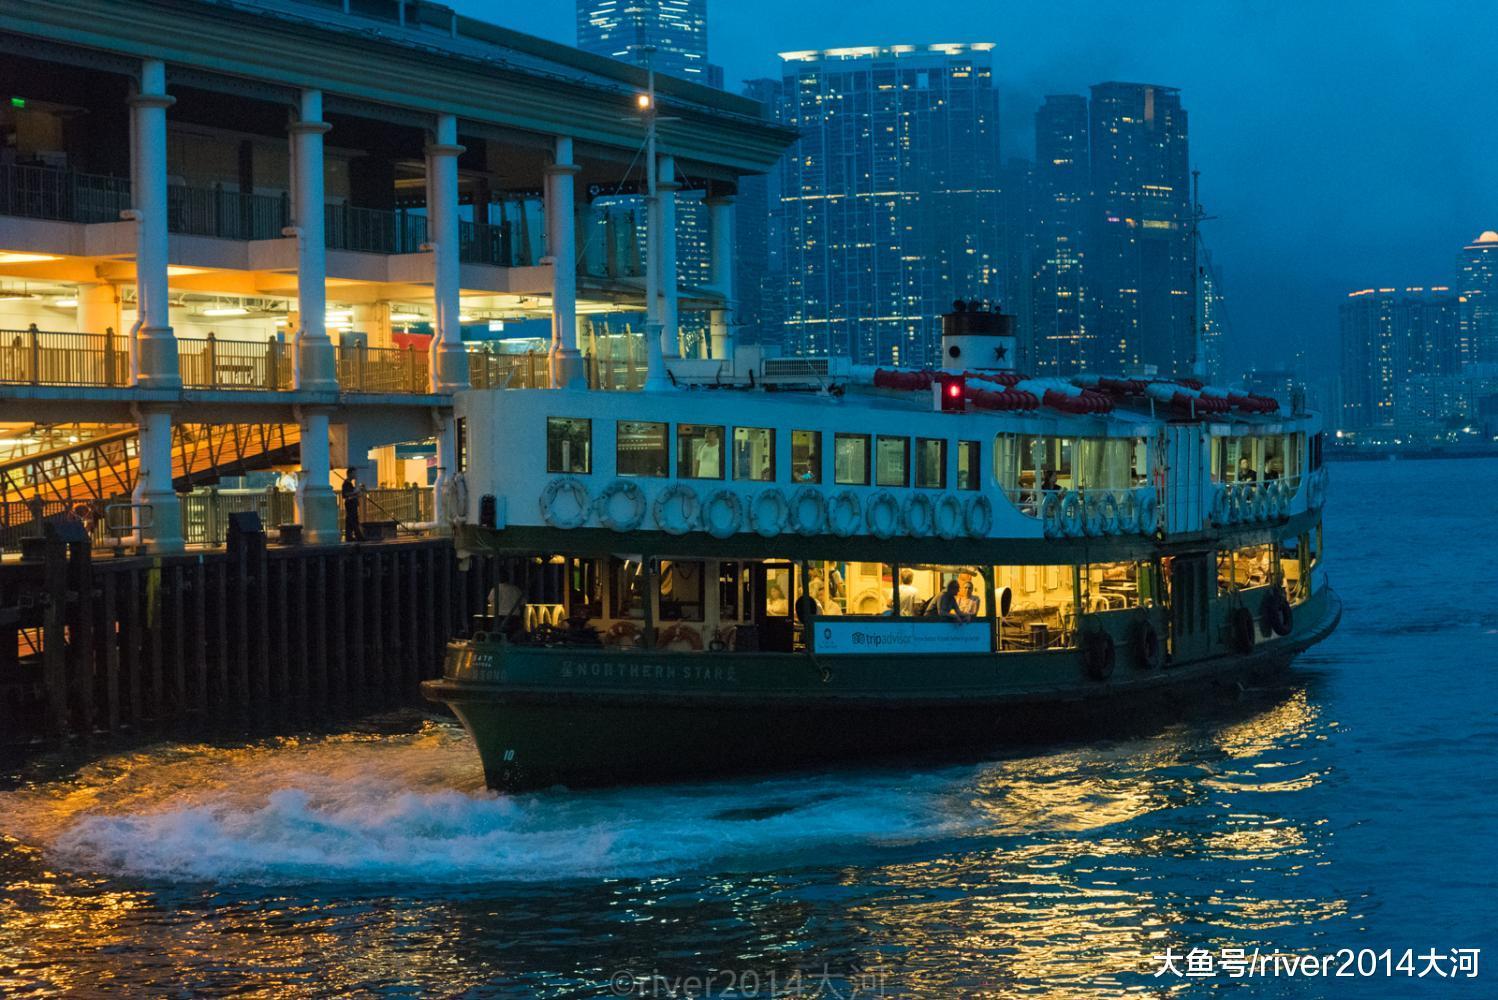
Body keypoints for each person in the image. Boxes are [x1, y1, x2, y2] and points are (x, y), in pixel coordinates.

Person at [341, 469, 364, 542]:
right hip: (350, 504)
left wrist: (358, 493)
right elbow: (345, 494)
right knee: (353, 520)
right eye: (354, 473)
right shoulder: (346, 484)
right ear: (349, 474)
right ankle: (359, 536)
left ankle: (349, 537)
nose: (355, 475)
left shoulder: (349, 484)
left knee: (349, 521)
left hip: (352, 503)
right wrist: (355, 492)